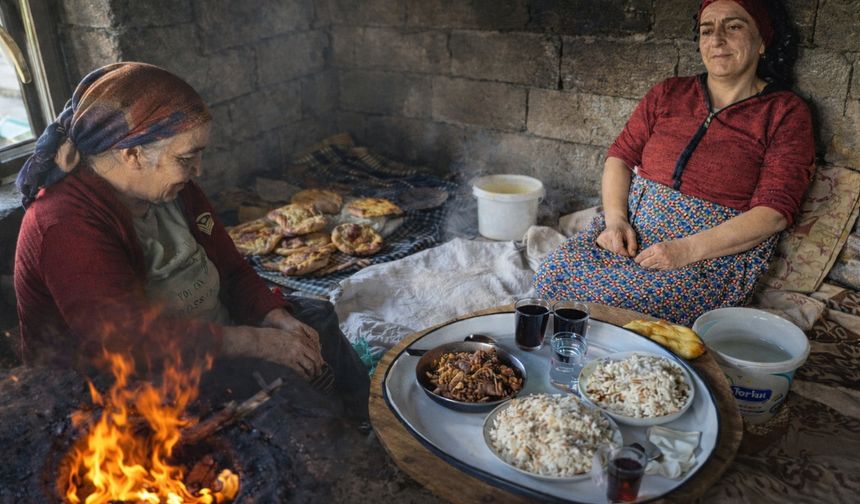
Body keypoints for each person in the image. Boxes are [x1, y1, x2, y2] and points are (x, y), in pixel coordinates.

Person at [13, 62, 369, 419]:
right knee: (281, 391)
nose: (199, 170)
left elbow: (232, 269)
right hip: (133, 376)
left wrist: (275, 318)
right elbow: (131, 343)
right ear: (132, 154)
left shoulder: (176, 191)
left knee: (314, 319)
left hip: (215, 333)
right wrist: (260, 343)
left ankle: (368, 420)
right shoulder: (64, 224)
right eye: (186, 158)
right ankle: (330, 435)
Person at [535, 0, 815, 326]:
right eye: (707, 30)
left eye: (734, 26)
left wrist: (685, 250)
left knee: (622, 307)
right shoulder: (669, 93)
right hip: (633, 232)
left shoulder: (784, 112)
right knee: (553, 273)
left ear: (763, 40)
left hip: (708, 253)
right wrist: (615, 222)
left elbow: (775, 214)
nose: (717, 39)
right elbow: (620, 158)